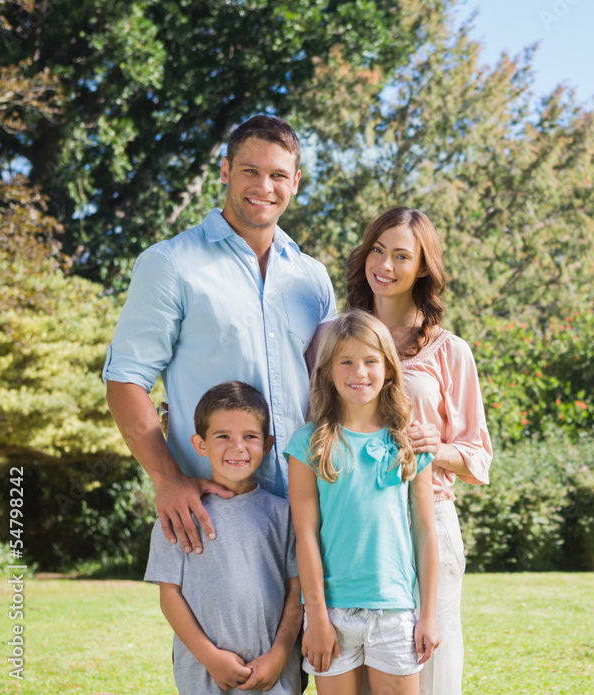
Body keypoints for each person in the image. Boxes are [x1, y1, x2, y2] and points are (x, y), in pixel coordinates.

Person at [103, 115, 336, 555]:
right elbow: (124, 379)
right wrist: (168, 479)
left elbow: (335, 386)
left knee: (317, 627)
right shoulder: (170, 264)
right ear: (226, 171)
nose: (264, 186)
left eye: (278, 175)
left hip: (313, 510)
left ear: (296, 182)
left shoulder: (314, 278)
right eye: (250, 170)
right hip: (215, 511)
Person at [345, 206, 494, 695]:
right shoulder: (333, 338)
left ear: (423, 268)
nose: (385, 264)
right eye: (378, 250)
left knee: (429, 672)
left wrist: (440, 448)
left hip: (427, 523)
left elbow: (477, 455)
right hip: (356, 527)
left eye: (401, 256)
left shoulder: (450, 351)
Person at [286, 310, 440, 695]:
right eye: (346, 362)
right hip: (332, 613)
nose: (359, 372)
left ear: (388, 369)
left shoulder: (408, 444)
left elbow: (424, 531)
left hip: (395, 609)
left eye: (371, 361)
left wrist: (428, 615)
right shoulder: (308, 445)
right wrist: (316, 614)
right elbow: (305, 536)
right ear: (328, 372)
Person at [145, 381, 303, 694]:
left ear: (267, 444)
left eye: (250, 437)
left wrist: (279, 654)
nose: (237, 446)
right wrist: (210, 657)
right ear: (200, 444)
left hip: (274, 676)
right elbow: (170, 596)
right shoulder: (180, 514)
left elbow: (296, 592)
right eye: (223, 436)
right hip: (205, 676)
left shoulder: (284, 514)